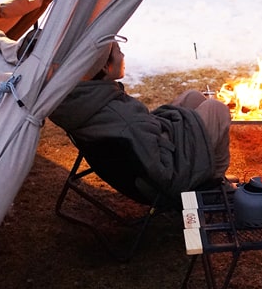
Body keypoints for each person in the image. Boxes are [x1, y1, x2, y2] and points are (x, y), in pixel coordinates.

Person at [49, 40, 231, 200]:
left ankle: (214, 176)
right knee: (216, 109)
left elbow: (142, 133)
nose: (123, 56)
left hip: (143, 155)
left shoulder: (86, 97)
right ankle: (212, 184)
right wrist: (179, 131)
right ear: (105, 67)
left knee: (192, 97)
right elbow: (162, 170)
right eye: (119, 51)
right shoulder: (120, 117)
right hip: (159, 181)